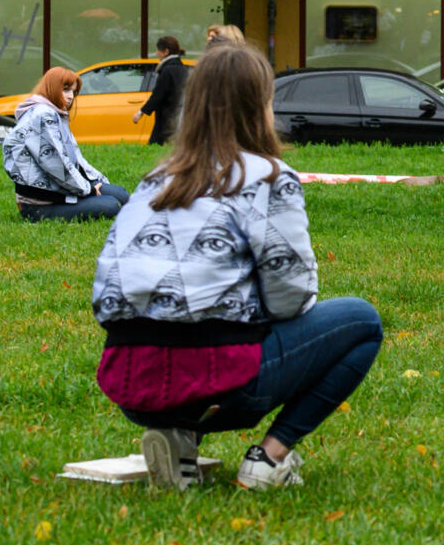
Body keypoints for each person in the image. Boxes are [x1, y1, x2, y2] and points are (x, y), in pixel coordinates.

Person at [90, 44, 382, 491]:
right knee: (361, 321)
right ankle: (270, 458)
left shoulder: (153, 182)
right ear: (261, 105)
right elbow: (293, 298)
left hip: (131, 384)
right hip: (223, 380)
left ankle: (178, 439)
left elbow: (107, 297)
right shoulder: (267, 176)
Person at [3, 68, 130, 222]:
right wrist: (89, 190)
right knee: (112, 205)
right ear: (52, 88)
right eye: (66, 90)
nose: (70, 97)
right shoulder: (43, 115)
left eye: (74, 92)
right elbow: (57, 165)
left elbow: (76, 158)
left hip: (62, 191)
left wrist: (97, 181)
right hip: (40, 204)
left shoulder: (55, 112)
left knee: (122, 195)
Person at [132, 36, 190, 144]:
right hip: (178, 115)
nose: (157, 53)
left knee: (156, 144)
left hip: (166, 116)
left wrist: (141, 112)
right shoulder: (182, 68)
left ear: (166, 52)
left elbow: (158, 94)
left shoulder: (167, 70)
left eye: (159, 50)